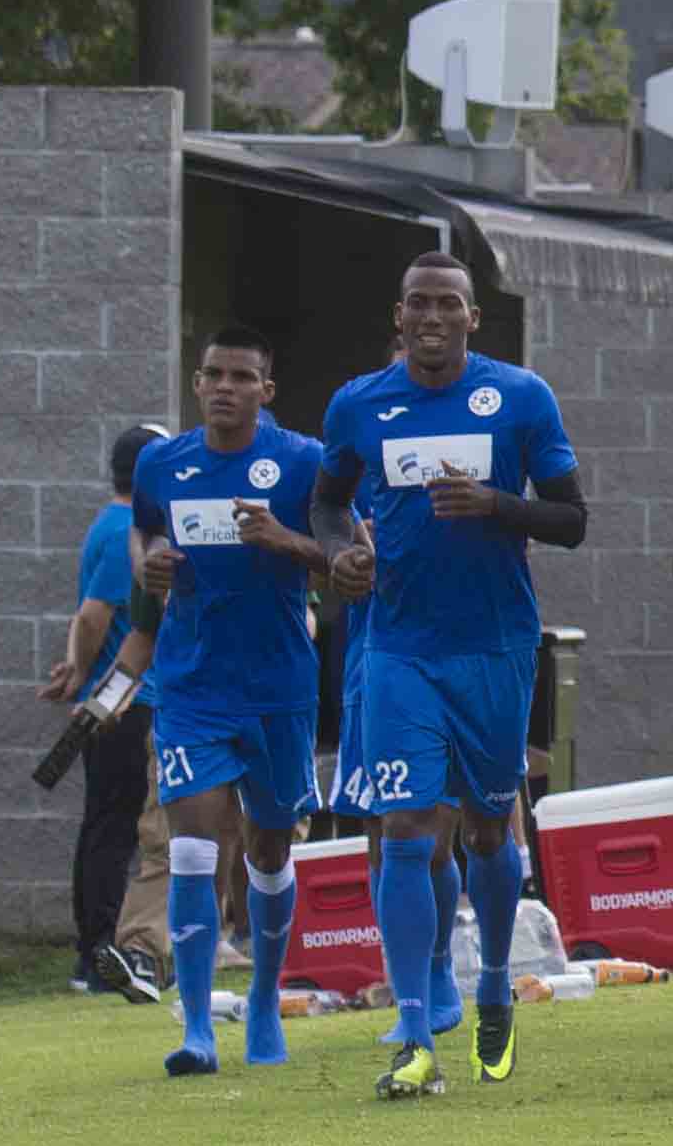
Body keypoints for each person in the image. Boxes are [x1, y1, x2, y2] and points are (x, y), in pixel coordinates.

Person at [315, 253, 587, 1097]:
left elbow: (572, 518)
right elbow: (327, 502)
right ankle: (411, 1024)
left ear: (475, 318)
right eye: (419, 304)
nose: (433, 317)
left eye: (450, 305)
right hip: (397, 645)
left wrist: (496, 505)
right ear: (399, 316)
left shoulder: (520, 397)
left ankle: (495, 976)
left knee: (483, 829)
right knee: (403, 826)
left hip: (496, 646)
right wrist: (341, 552)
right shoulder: (359, 403)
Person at [127, 330, 330, 1073]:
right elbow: (144, 528)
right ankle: (195, 1029)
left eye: (242, 376)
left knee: (269, 851)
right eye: (213, 374)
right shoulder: (163, 462)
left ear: (265, 391)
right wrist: (147, 563)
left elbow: (344, 554)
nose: (224, 387)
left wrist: (285, 540)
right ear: (195, 381)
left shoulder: (302, 462)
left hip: (277, 688)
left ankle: (268, 1002)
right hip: (191, 686)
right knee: (191, 846)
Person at [41, 422, 168, 1005]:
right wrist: (98, 686)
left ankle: (92, 953)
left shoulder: (107, 523)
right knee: (114, 832)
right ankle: (98, 957)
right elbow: (95, 616)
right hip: (126, 703)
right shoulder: (126, 532)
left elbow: (83, 621)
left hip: (109, 698)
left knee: (102, 827)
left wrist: (73, 669)